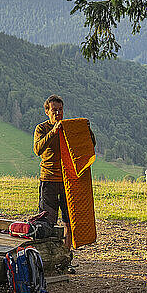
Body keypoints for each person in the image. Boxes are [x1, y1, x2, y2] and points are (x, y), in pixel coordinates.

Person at [33, 95, 95, 249]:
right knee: (46, 222)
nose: (58, 113)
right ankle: (49, 256)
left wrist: (86, 130)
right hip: (48, 180)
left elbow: (90, 144)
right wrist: (53, 132)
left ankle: (67, 256)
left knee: (70, 220)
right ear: (47, 111)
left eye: (60, 110)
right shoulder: (42, 128)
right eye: (54, 110)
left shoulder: (69, 128)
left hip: (68, 181)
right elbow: (37, 149)